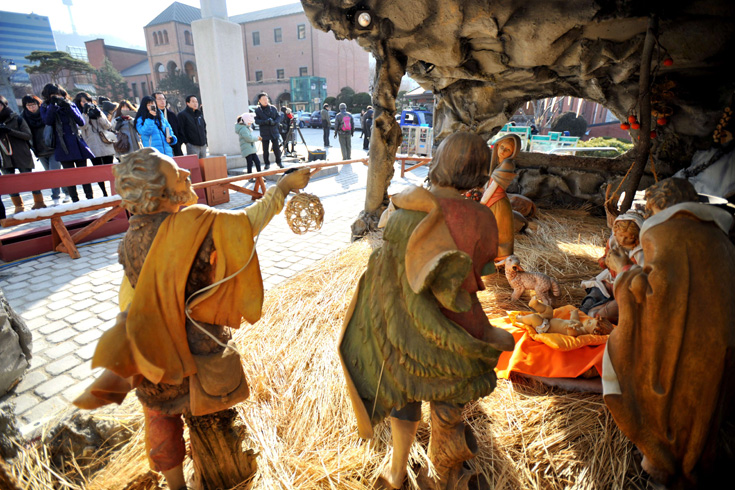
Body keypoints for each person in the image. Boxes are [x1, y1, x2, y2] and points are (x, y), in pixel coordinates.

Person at [73, 147, 310, 490]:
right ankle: (227, 479)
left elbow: (131, 296)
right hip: (198, 352)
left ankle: (177, 487)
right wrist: (283, 187)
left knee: (161, 420)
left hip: (152, 353)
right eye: (176, 174)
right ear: (160, 192)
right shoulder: (193, 223)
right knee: (216, 422)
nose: (186, 174)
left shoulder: (129, 239)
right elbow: (247, 223)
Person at [339, 132, 515, 489]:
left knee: (404, 391)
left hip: (403, 321)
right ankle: (447, 472)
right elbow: (484, 268)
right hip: (461, 326)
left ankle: (397, 469)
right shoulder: (482, 217)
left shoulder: (405, 206)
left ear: (439, 162)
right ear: (480, 170)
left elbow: (387, 265)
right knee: (449, 400)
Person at [603, 178, 735, 488]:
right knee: (704, 411)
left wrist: (622, 270)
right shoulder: (723, 239)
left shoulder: (663, 233)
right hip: (721, 346)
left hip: (680, 344)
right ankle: (696, 458)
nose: (648, 215)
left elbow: (653, 296)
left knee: (658, 395)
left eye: (649, 209)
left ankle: (664, 461)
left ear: (660, 206)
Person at [579, 210, 644, 322]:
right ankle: (581, 313)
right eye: (620, 235)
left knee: (596, 314)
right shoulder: (613, 242)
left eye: (628, 237)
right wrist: (606, 261)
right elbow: (603, 259)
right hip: (611, 278)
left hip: (628, 287)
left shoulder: (641, 252)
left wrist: (624, 266)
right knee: (595, 293)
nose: (622, 240)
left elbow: (641, 279)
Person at [40, 83, 95, 202]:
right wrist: (53, 106)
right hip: (62, 145)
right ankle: (75, 200)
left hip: (77, 142)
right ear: (48, 96)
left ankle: (90, 198)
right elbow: (48, 121)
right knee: (69, 176)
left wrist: (68, 107)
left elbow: (81, 122)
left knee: (84, 173)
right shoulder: (45, 106)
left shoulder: (70, 104)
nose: (57, 96)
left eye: (59, 94)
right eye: (54, 95)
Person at [480, 133, 521, 264]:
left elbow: (493, 188)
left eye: (507, 149)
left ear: (513, 153)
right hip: (494, 201)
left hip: (497, 203)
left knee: (498, 234)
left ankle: (499, 261)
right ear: (497, 146)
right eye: (502, 147)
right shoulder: (501, 163)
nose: (503, 151)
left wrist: (481, 202)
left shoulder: (507, 164)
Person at [0, 95, 46, 213]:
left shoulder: (16, 118)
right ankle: (18, 206)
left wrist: (10, 131)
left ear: (4, 105)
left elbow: (27, 135)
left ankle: (39, 202)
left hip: (21, 153)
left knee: (28, 178)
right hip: (4, 156)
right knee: (9, 183)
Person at [20, 94, 68, 205]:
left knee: (54, 173)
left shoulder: (45, 112)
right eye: (28, 105)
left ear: (38, 104)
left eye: (33, 104)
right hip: (39, 150)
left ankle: (56, 196)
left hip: (53, 147)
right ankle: (66, 192)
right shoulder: (23, 117)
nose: (32, 107)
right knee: (52, 174)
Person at [75, 92, 114, 197]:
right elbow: (82, 127)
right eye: (83, 102)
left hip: (105, 143)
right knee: (98, 172)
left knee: (110, 170)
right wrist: (85, 114)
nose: (87, 103)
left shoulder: (97, 110)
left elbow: (107, 126)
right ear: (79, 103)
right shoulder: (78, 114)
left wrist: (99, 115)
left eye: (88, 101)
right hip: (93, 146)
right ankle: (104, 193)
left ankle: (114, 192)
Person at [253, 92, 283, 170]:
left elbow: (278, 117)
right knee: (265, 150)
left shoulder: (273, 108)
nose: (265, 100)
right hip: (264, 132)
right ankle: (267, 163)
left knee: (276, 148)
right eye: (263, 99)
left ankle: (279, 162)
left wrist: (274, 122)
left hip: (274, 131)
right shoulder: (258, 110)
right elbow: (256, 121)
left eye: (266, 99)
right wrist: (265, 121)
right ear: (259, 100)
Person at [177, 94, 207, 159]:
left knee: (204, 164)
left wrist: (205, 140)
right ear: (187, 103)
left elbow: (204, 127)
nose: (195, 104)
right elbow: (180, 129)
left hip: (203, 145)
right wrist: (187, 142)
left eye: (196, 102)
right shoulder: (182, 115)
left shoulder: (199, 114)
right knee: (194, 164)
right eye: (193, 102)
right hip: (192, 145)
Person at [153, 92, 183, 156]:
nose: (162, 101)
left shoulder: (171, 115)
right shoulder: (152, 116)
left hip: (174, 147)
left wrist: (178, 142)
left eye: (163, 99)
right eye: (159, 99)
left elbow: (179, 130)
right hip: (160, 149)